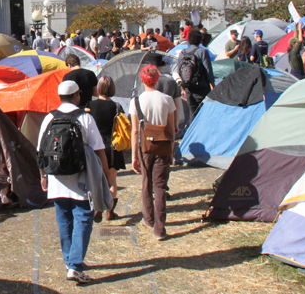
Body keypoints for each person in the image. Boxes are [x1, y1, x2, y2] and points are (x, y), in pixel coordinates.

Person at [37, 81, 110, 285]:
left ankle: (70, 261)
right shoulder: (85, 118)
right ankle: (75, 265)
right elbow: (99, 149)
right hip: (81, 179)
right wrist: (106, 176)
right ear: (76, 96)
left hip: (56, 179)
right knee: (83, 218)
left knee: (64, 220)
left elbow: (40, 152)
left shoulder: (49, 118)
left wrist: (43, 176)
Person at [129, 65, 177, 241]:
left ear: (142, 80)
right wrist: (171, 149)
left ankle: (148, 219)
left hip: (144, 147)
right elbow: (171, 129)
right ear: (157, 79)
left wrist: (134, 155)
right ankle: (160, 228)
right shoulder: (167, 99)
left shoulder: (135, 102)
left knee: (146, 183)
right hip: (163, 146)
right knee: (160, 186)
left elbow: (135, 131)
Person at [86, 77, 124, 219]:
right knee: (112, 180)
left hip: (95, 147)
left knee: (96, 180)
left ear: (99, 88)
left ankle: (98, 208)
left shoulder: (90, 105)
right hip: (112, 147)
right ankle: (110, 211)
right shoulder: (117, 106)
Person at [171, 28, 214, 130]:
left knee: (192, 112)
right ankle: (201, 133)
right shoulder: (202, 51)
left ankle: (192, 134)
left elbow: (179, 71)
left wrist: (182, 88)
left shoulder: (183, 53)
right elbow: (208, 70)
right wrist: (212, 84)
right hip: (202, 87)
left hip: (188, 87)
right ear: (200, 39)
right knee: (203, 112)